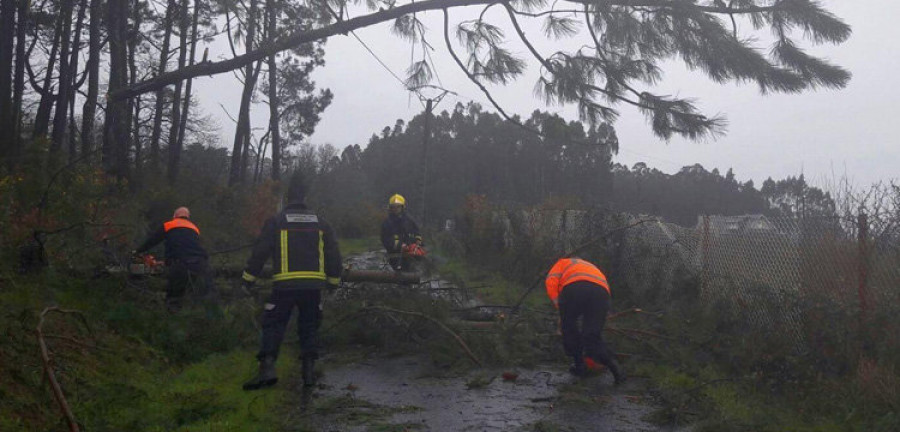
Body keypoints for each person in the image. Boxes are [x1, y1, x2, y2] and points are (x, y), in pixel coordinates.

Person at [241, 173, 342, 391]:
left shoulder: (276, 221)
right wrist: (334, 281)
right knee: (309, 326)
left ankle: (267, 369)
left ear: (288, 198)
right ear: (305, 196)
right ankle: (308, 375)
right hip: (313, 287)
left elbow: (260, 252)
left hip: (284, 287)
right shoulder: (321, 222)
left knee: (273, 324)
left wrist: (248, 279)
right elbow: (334, 253)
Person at [545, 257, 626, 384]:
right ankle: (614, 367)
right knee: (592, 334)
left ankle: (580, 365)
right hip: (602, 292)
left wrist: (561, 311)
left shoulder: (560, 264)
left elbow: (551, 282)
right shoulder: (584, 265)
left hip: (575, 287)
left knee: (569, 329)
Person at [133, 207, 215, 312]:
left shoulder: (169, 225)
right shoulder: (194, 228)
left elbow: (152, 241)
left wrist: (137, 251)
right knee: (204, 296)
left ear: (174, 216)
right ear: (188, 217)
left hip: (179, 264)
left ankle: (171, 320)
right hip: (200, 264)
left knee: (174, 298)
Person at [380, 194, 422, 271]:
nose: (396, 209)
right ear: (390, 208)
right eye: (393, 207)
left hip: (410, 253)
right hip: (394, 255)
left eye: (398, 206)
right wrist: (399, 246)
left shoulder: (409, 220)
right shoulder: (387, 223)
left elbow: (417, 232)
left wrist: (417, 241)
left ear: (402, 207)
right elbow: (385, 240)